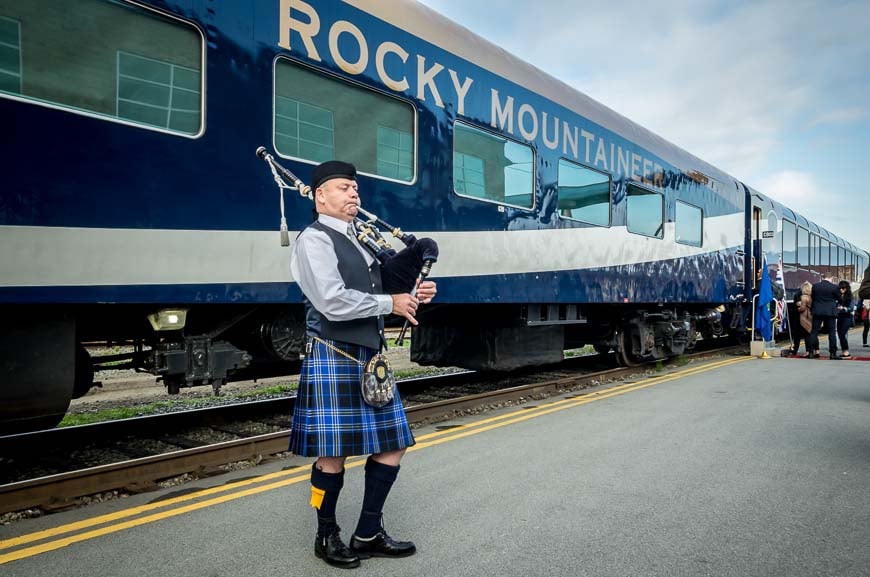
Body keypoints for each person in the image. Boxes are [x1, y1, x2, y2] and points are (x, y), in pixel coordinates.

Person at [289, 160, 437, 569]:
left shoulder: (360, 239)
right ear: (321, 196)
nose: (353, 193)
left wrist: (413, 293)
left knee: (394, 445)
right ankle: (326, 535)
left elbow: (380, 290)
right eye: (342, 187)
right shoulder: (314, 240)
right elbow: (332, 301)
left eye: (355, 188)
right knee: (332, 455)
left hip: (369, 357)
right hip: (332, 353)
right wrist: (392, 303)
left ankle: (368, 532)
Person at [809, 274, 841, 359]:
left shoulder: (815, 286)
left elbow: (813, 297)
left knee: (814, 332)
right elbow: (840, 299)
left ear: (822, 278)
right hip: (830, 312)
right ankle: (832, 354)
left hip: (817, 311)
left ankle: (811, 353)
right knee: (832, 332)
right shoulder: (834, 287)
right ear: (831, 278)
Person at [789, 281, 813, 357]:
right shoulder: (813, 296)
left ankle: (795, 350)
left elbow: (795, 307)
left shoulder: (798, 294)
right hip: (809, 317)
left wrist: (798, 306)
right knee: (808, 334)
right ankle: (810, 351)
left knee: (797, 335)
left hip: (799, 317)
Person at [835, 281, 854, 358]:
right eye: (840, 288)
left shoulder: (850, 297)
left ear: (846, 288)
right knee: (840, 334)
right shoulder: (838, 296)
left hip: (847, 317)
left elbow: (851, 308)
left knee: (842, 334)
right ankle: (844, 352)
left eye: (843, 288)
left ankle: (846, 351)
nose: (841, 290)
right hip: (839, 317)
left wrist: (844, 308)